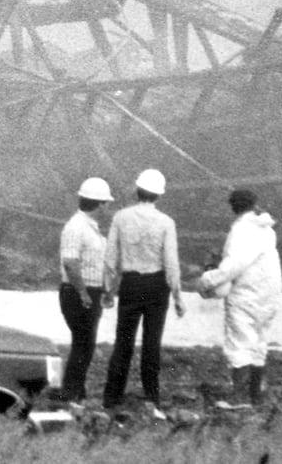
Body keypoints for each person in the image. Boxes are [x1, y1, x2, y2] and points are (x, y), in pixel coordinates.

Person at [103, 168, 185, 414]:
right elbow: (171, 262)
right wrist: (178, 296)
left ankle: (112, 397)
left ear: (137, 190)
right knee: (152, 343)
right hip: (157, 286)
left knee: (123, 343)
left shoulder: (120, 218)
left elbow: (110, 258)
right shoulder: (166, 223)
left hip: (130, 283)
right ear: (159, 195)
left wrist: (108, 289)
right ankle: (151, 397)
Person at [198, 188, 282, 407]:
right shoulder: (266, 229)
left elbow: (234, 265)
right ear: (254, 204)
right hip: (270, 292)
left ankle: (240, 397)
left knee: (240, 343)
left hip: (247, 293)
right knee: (259, 342)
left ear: (233, 207)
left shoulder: (241, 230)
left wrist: (207, 279)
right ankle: (256, 395)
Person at [58, 176, 116, 405]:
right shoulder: (76, 227)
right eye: (106, 204)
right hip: (78, 292)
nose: (107, 208)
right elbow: (70, 263)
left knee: (84, 344)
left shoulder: (89, 228)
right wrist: (82, 293)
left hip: (88, 291)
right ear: (99, 204)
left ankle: (76, 392)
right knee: (83, 344)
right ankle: (71, 394)